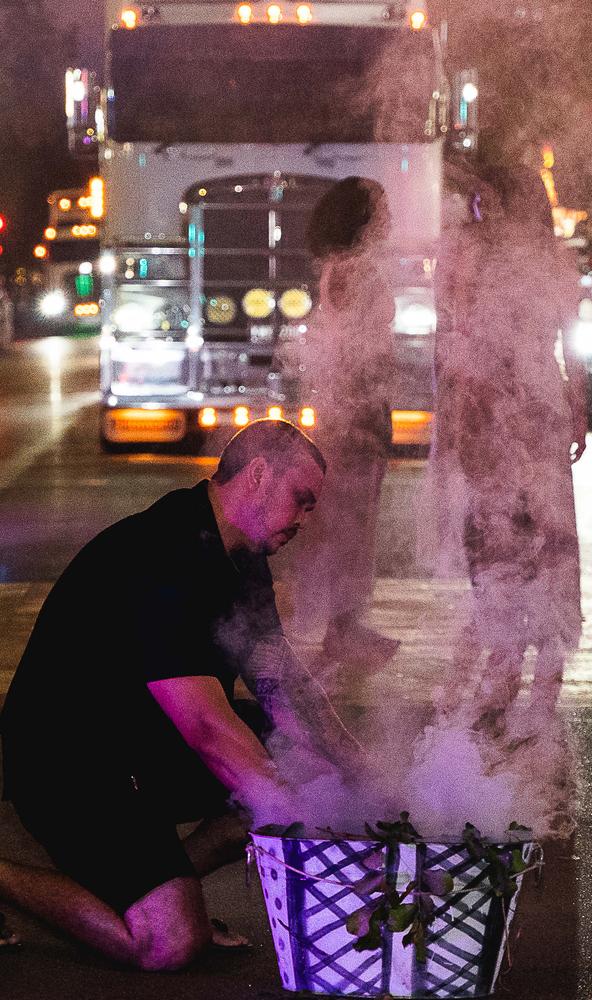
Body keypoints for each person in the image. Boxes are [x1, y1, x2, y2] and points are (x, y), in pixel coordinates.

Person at [0, 419, 365, 969]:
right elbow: (207, 730)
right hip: (69, 760)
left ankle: (150, 894)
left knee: (302, 764)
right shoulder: (163, 556)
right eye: (302, 500)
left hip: (135, 744)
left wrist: (356, 766)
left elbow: (277, 679)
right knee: (170, 944)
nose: (306, 520)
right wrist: (313, 831)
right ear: (259, 476)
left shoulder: (241, 555)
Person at [432, 165, 588, 735]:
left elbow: (452, 338)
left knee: (515, 539)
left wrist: (451, 419)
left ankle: (519, 673)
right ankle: (528, 676)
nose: (479, 207)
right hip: (521, 402)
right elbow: (571, 341)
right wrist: (576, 405)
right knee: (530, 538)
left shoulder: (476, 254)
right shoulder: (545, 257)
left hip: (501, 404)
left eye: (487, 197)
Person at [292, 176, 400, 666]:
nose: (390, 219)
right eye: (382, 209)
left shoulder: (340, 267)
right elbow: (359, 351)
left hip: (346, 408)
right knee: (353, 523)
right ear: (363, 219)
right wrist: (368, 409)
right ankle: (344, 628)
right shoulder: (358, 272)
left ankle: (346, 625)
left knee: (348, 523)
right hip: (356, 411)